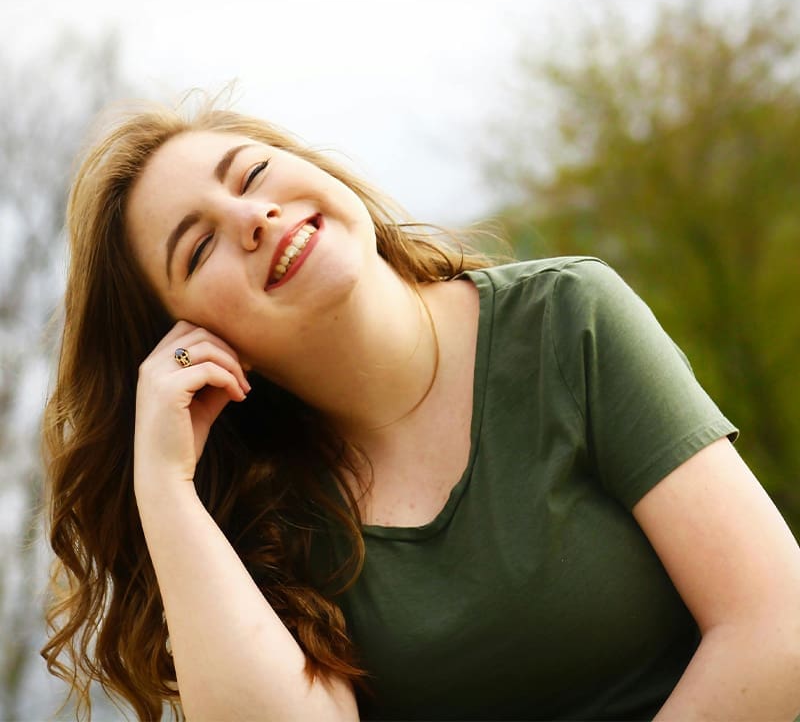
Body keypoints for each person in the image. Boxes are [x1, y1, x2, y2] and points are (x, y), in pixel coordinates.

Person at [41, 95, 800, 722]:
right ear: (186, 339)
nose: (254, 219)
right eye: (198, 248)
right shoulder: (259, 515)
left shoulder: (568, 319)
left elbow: (777, 625)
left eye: (255, 175)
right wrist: (165, 490)